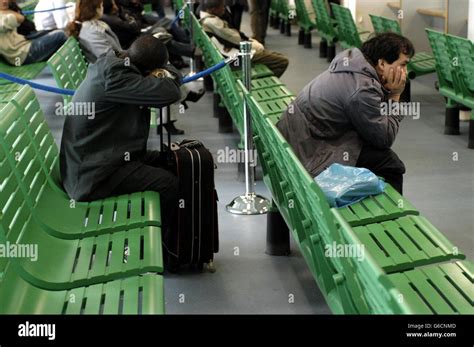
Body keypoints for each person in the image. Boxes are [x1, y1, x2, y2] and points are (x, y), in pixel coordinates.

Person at [59, 35, 182, 242]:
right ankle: (163, 249)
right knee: (167, 184)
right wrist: (165, 71)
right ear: (147, 71)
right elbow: (169, 91)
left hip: (106, 157)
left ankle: (174, 242)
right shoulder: (117, 78)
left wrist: (162, 70)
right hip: (93, 176)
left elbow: (169, 78)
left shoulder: (118, 62)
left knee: (173, 161)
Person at [276, 33, 413, 194]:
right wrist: (395, 95)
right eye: (403, 65)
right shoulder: (362, 88)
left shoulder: (352, 67)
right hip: (309, 153)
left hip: (299, 141)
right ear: (382, 63)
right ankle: (389, 217)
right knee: (391, 164)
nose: (406, 72)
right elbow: (384, 138)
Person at [200, 0, 288, 78]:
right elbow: (236, 38)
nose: (224, 8)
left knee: (274, 55)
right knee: (282, 61)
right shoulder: (213, 22)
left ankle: (261, 80)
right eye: (222, 7)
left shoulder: (207, 18)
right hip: (239, 56)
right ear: (213, 10)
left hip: (233, 52)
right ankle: (258, 82)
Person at [0, 0, 67, 65]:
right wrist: (6, 12)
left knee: (58, 32)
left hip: (25, 42)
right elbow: (18, 18)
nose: (5, 1)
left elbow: (22, 19)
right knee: (61, 35)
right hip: (21, 55)